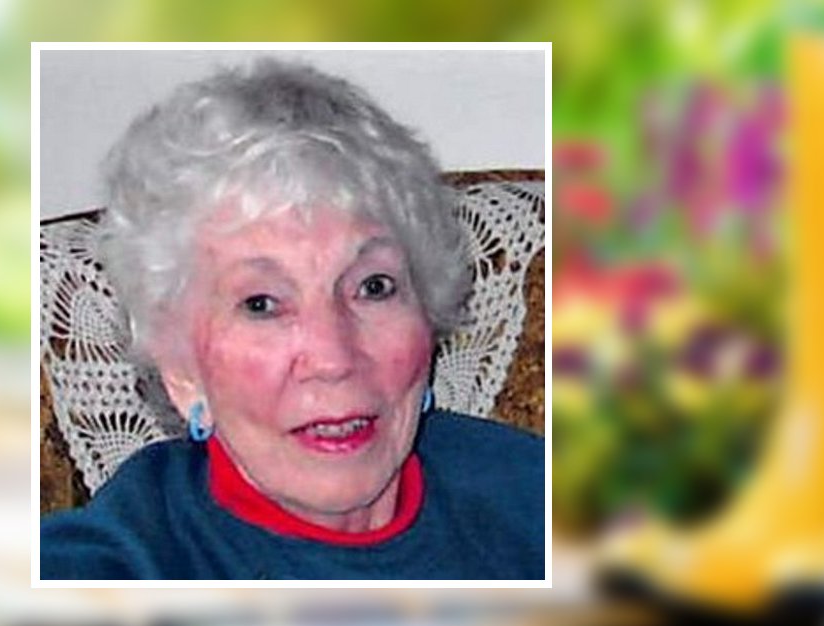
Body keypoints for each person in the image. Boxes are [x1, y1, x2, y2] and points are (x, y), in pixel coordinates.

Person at [41, 58, 543, 580]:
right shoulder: (121, 564)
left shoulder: (531, 490)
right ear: (182, 370)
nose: (333, 358)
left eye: (373, 287)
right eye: (261, 303)